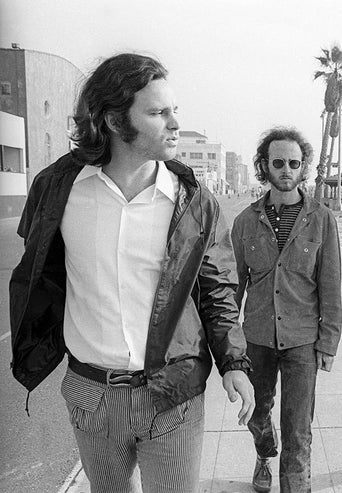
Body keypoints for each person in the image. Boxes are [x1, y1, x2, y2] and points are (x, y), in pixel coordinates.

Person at [8, 53, 253, 493]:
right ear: (115, 121)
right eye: (159, 113)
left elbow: (217, 289)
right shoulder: (56, 189)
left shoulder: (195, 201)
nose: (175, 123)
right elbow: (38, 275)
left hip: (172, 395)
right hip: (91, 393)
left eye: (174, 110)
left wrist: (234, 363)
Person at [232, 127, 342, 493]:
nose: (286, 169)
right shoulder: (246, 221)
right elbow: (232, 289)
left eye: (294, 163)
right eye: (278, 162)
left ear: (303, 167)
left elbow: (330, 285)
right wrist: (228, 346)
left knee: (298, 428)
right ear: (264, 165)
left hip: (302, 341)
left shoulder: (322, 219)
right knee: (258, 413)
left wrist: (328, 342)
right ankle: (264, 455)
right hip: (257, 339)